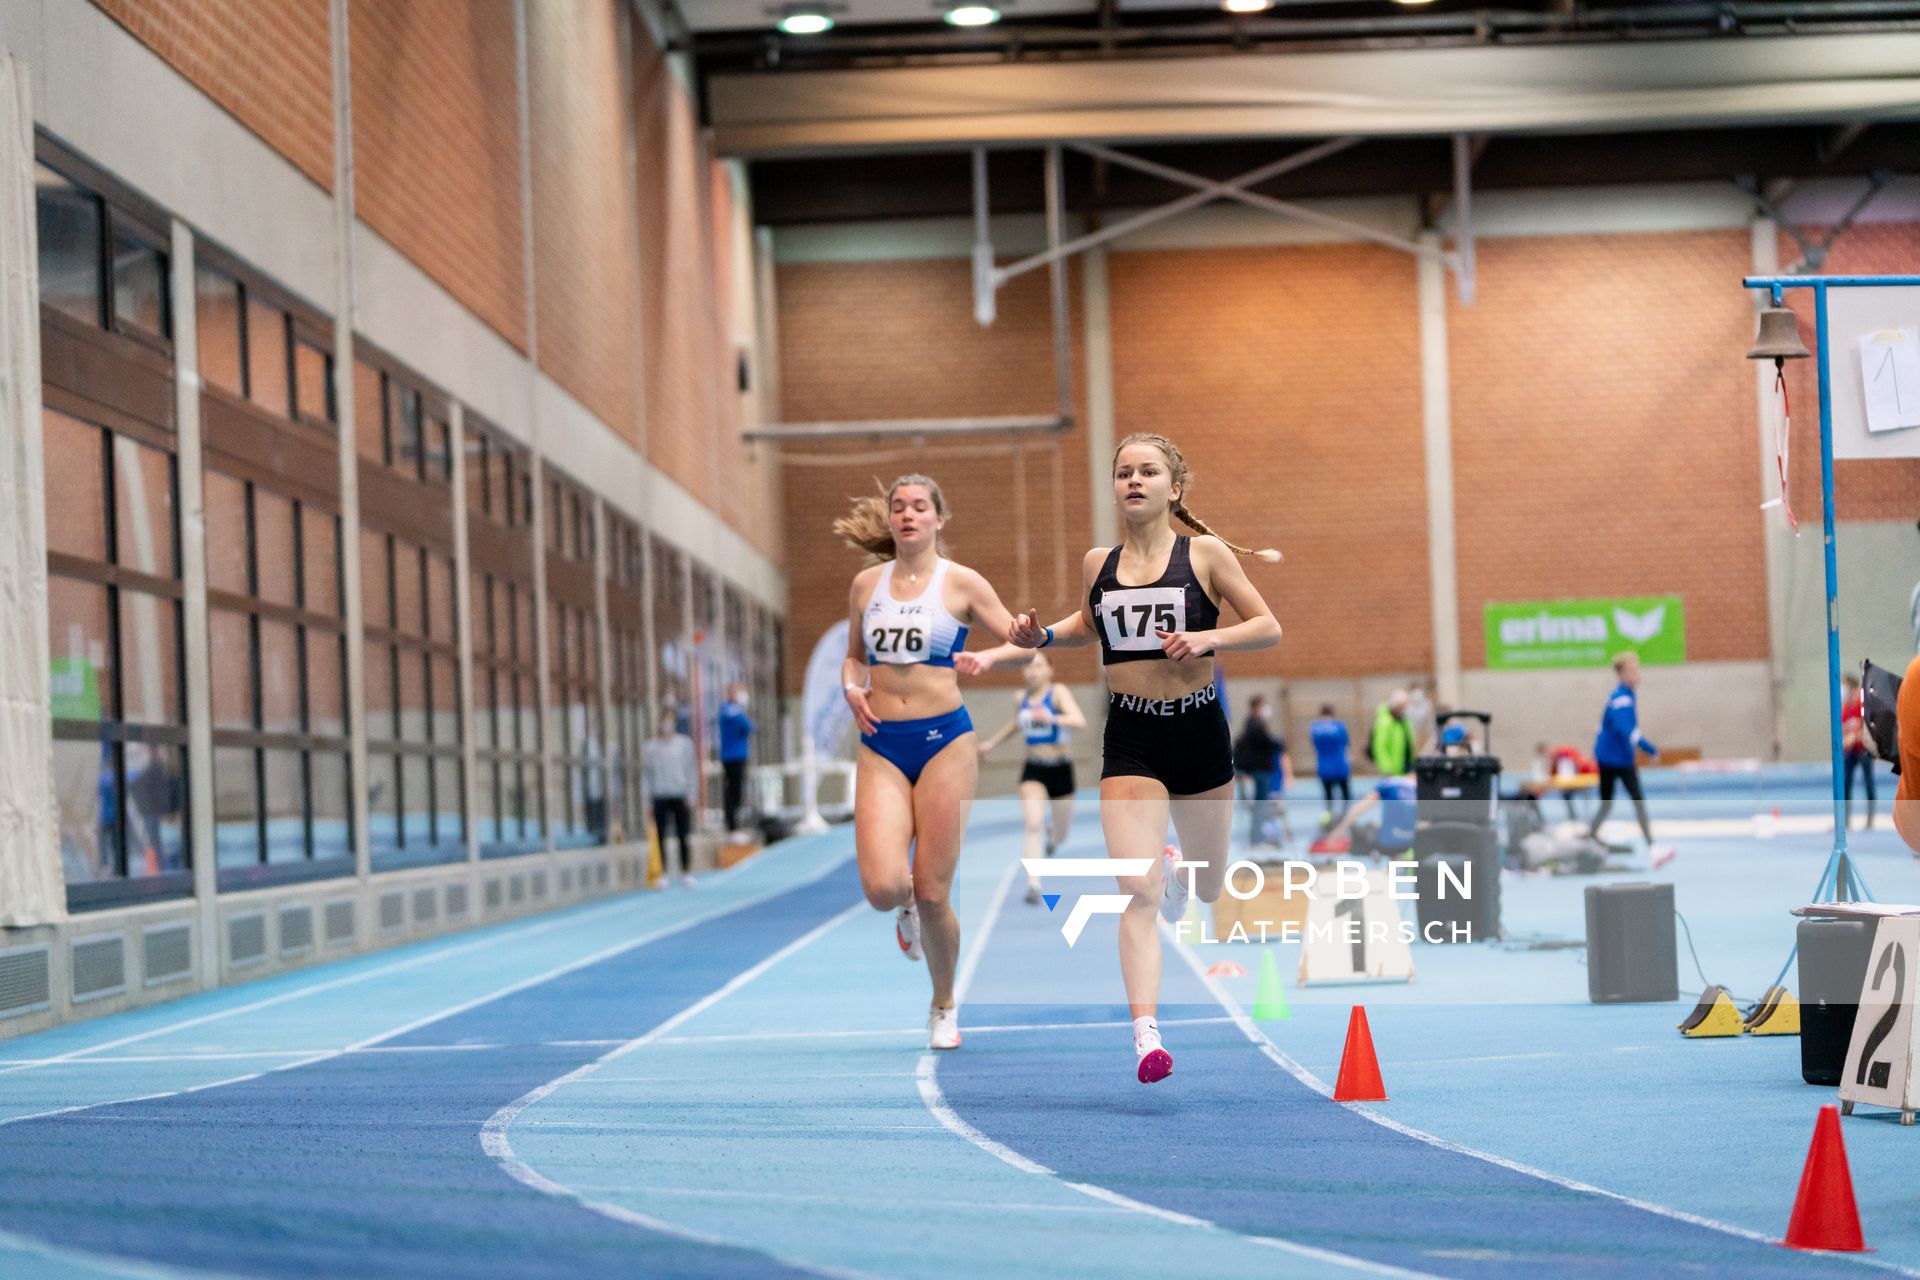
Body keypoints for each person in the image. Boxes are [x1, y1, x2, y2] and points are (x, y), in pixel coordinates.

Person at [996, 432, 1282, 1084]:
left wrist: (1206, 638)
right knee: (1136, 890)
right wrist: (1041, 636)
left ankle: (1183, 877)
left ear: (1173, 489)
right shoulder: (1098, 562)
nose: (1133, 480)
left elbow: (1268, 626)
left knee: (1208, 887)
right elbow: (1087, 624)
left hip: (1199, 733)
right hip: (1131, 738)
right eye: (1124, 471)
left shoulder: (1203, 555)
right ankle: (1146, 1034)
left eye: (1147, 471)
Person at [838, 475, 1024, 1052]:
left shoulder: (961, 582)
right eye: (898, 507)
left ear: (939, 519)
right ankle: (904, 910)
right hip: (881, 744)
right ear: (890, 520)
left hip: (945, 741)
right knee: (883, 887)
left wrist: (990, 657)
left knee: (934, 892)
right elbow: (854, 658)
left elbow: (1024, 642)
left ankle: (943, 1004)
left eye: (920, 506)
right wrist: (851, 688)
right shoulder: (866, 585)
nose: (908, 514)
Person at [969, 652, 1087, 904]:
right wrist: (991, 743)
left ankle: (1053, 835)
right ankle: (1034, 883)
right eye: (1029, 667)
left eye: (1038, 666)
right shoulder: (1019, 698)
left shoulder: (1058, 693)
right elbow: (1016, 725)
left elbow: (1079, 721)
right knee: (1032, 825)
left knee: (1061, 836)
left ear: (1049, 670)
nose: (1033, 671)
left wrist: (1052, 717)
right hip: (1034, 769)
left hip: (1061, 769)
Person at [1590, 653, 1672, 865]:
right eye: (1632, 671)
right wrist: (1649, 749)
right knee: (1608, 804)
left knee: (1637, 801)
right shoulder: (1621, 699)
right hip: (1610, 760)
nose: (1637, 674)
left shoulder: (1626, 694)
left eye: (1637, 670)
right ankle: (1590, 837)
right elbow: (1627, 730)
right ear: (1621, 674)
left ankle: (1653, 848)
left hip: (1623, 758)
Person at [643, 709, 698, 888]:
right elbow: (647, 776)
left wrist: (691, 794)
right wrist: (647, 801)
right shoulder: (651, 748)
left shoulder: (684, 744)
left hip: (679, 795)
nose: (667, 724)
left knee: (683, 834)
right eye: (664, 720)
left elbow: (691, 770)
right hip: (660, 796)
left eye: (670, 720)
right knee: (661, 836)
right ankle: (663, 873)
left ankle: (686, 871)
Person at [1232, 694, 1290, 847]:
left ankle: (1259, 836)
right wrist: (1278, 743)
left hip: (1260, 769)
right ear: (1258, 707)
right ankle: (1258, 838)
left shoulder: (1254, 724)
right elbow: (1266, 743)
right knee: (1260, 804)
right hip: (1259, 770)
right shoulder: (1254, 724)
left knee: (1261, 804)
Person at [1322, 773, 1418, 860]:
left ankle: (1375, 850)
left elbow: (1359, 808)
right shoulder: (1421, 788)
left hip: (1387, 843)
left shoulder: (1389, 783)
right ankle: (1401, 855)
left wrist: (1339, 830)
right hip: (1410, 843)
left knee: (1369, 826)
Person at [717, 682, 755, 836]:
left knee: (732, 789)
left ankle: (732, 822)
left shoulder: (727, 710)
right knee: (734, 790)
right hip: (735, 756)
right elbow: (748, 727)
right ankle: (732, 824)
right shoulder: (732, 711)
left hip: (730, 755)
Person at [1842, 671, 1876, 832]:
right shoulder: (1845, 707)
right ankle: (1845, 819)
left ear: (1851, 687)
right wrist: (1846, 737)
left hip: (1864, 749)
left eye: (1844, 685)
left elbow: (1868, 726)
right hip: (1851, 751)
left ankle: (1870, 818)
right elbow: (1843, 727)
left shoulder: (1862, 704)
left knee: (1868, 782)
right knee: (1845, 783)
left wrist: (1855, 736)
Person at [1310, 705, 1351, 820]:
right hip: (1340, 765)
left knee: (1328, 794)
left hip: (1324, 766)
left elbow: (1314, 747)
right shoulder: (1339, 727)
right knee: (1345, 793)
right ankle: (1346, 816)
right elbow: (1346, 745)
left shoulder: (1315, 728)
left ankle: (1328, 816)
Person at [1368, 689, 1415, 776]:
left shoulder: (1404, 721)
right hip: (1393, 770)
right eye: (1402, 707)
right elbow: (1380, 747)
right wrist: (1387, 768)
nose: (1404, 709)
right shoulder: (1385, 722)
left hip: (1406, 765)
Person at [1405, 680, 1436, 754]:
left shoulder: (1427, 704)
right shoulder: (1408, 705)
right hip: (1412, 735)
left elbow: (1428, 721)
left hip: (1425, 734)